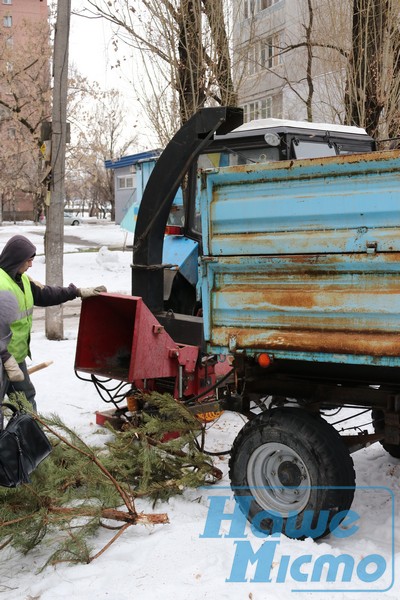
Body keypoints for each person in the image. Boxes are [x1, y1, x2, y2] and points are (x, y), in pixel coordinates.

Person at [0, 234, 106, 411]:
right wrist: (5, 357)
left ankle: (30, 437)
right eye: (28, 260)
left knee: (26, 403)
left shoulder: (22, 280)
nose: (31, 265)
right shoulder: (2, 285)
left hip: (15, 358)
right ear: (17, 259)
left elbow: (46, 294)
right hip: (4, 359)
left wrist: (76, 292)